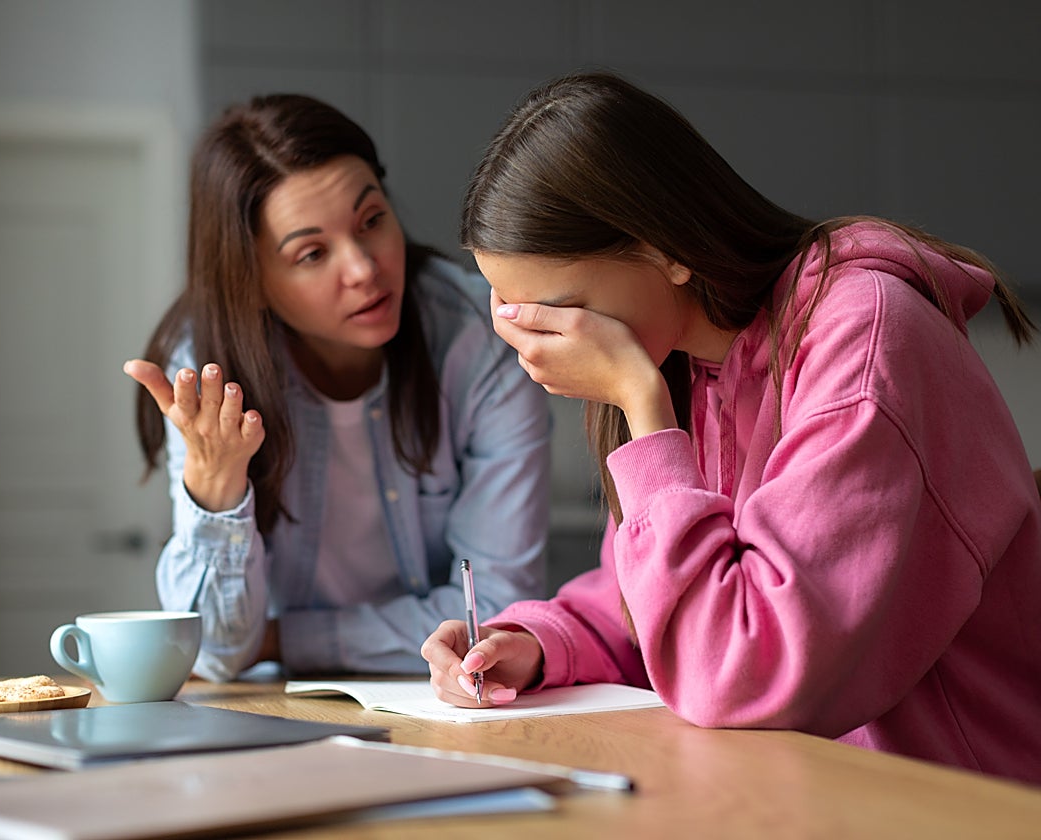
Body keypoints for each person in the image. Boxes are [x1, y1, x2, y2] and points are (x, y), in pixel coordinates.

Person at [421, 71, 1041, 784]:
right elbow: (663, 592)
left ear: (665, 249)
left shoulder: (864, 338)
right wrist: (536, 640)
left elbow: (742, 672)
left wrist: (641, 410)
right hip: (795, 786)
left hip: (954, 795)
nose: (537, 345)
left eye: (557, 309)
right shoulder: (695, 362)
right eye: (514, 312)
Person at [125, 94, 550, 680]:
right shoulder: (208, 368)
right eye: (312, 253)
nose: (364, 268)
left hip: (439, 697)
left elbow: (496, 613)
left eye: (372, 220)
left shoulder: (482, 337)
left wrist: (280, 639)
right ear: (249, 280)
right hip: (276, 713)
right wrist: (215, 485)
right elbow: (215, 650)